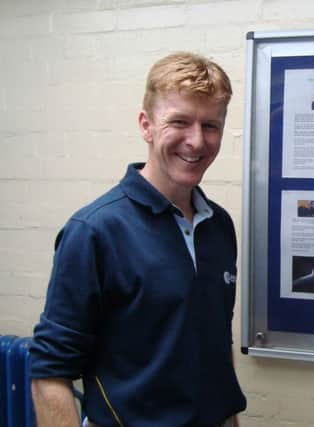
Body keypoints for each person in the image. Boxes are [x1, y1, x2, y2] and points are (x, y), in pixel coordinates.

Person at [29, 52, 246, 427]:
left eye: (210, 125)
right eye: (179, 122)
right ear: (146, 125)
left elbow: (215, 344)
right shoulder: (95, 231)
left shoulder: (219, 225)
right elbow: (49, 374)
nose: (196, 141)